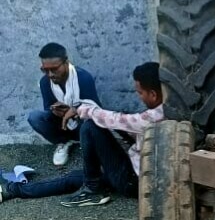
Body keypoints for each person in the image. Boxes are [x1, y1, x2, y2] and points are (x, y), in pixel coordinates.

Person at [1, 63, 164, 207]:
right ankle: (12, 189)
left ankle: (92, 189)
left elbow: (119, 120)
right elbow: (125, 125)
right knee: (73, 178)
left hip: (133, 181)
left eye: (140, 92)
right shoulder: (169, 109)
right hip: (136, 171)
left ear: (153, 94)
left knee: (90, 126)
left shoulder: (153, 117)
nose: (139, 96)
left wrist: (80, 109)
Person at [31, 43, 101, 168]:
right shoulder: (45, 82)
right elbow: (47, 108)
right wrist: (55, 111)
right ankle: (63, 142)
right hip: (62, 125)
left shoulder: (83, 78)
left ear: (66, 62)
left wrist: (75, 110)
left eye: (54, 69)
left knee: (92, 125)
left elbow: (97, 111)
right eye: (45, 70)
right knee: (34, 117)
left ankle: (89, 144)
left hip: (83, 124)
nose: (50, 74)